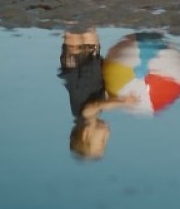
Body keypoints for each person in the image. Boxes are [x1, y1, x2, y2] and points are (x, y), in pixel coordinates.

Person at [58, 28, 137, 160]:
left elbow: (97, 105)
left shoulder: (84, 116)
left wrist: (122, 102)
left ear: (86, 134)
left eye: (102, 141)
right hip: (93, 65)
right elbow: (103, 95)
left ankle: (70, 18)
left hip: (75, 68)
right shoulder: (95, 113)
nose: (107, 136)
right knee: (90, 34)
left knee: (73, 37)